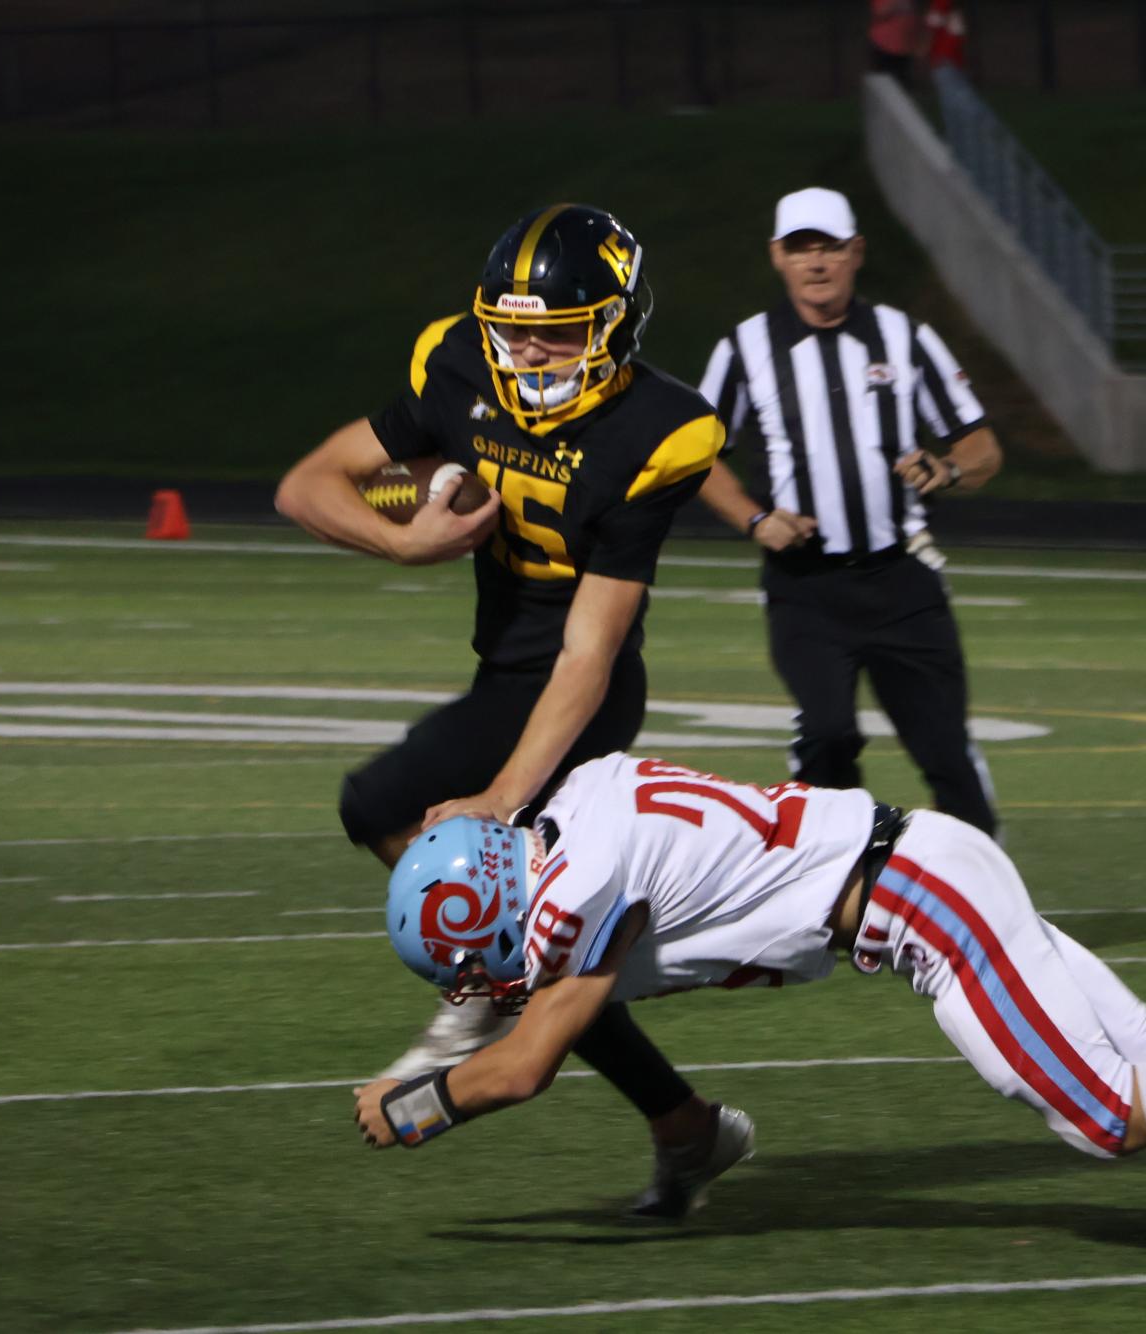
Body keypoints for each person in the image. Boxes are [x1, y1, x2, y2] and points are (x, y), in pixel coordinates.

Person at [355, 754, 1146, 1253]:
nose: (490, 981)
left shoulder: (582, 891)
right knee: (1144, 1048)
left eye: (483, 957)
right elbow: (571, 1006)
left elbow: (522, 1064)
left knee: (1105, 1113)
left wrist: (409, 1106)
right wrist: (685, 1142)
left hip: (918, 901)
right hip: (916, 872)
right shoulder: (578, 816)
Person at [275, 203, 730, 1217]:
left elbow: (591, 648)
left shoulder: (658, 428)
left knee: (380, 802)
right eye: (513, 325)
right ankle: (680, 1122)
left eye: (557, 329)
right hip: (505, 675)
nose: (527, 348)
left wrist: (497, 796)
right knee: (534, 942)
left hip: (586, 694)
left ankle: (490, 990)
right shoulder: (456, 365)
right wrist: (402, 540)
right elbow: (306, 484)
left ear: (613, 324)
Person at [695, 187, 1005, 837]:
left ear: (855, 252)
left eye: (829, 247)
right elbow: (693, 455)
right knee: (829, 737)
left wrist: (944, 469)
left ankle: (984, 905)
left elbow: (980, 445)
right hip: (806, 585)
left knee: (944, 752)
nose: (816, 262)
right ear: (776, 256)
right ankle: (832, 899)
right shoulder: (745, 348)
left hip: (901, 578)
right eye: (801, 248)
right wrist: (754, 520)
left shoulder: (903, 336)